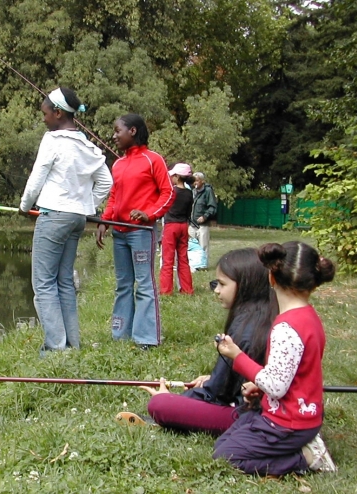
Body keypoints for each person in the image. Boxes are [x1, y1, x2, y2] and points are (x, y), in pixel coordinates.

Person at [116, 248, 278, 435]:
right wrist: (211, 380)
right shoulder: (267, 315)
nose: (216, 290)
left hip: (248, 417)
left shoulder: (244, 329)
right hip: (264, 410)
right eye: (215, 283)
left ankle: (166, 417)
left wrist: (173, 398)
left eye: (222, 284)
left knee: (159, 404)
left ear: (245, 285)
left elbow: (216, 394)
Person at [214, 241, 337, 475]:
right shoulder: (309, 317)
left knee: (226, 455)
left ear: (271, 277)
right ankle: (303, 444)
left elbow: (276, 385)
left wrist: (237, 356)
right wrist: (260, 388)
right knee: (230, 436)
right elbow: (293, 374)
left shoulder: (286, 327)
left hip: (288, 424)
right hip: (300, 415)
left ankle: (306, 457)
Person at [20, 87, 113, 354]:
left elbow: (37, 177)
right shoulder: (88, 146)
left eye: (46, 113)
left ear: (58, 113)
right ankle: (71, 344)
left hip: (53, 217)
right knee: (63, 281)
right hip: (76, 220)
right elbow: (106, 182)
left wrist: (25, 206)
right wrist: (86, 206)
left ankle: (55, 348)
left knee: (44, 283)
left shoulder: (52, 140)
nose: (44, 119)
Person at [95, 114, 174, 350]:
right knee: (123, 284)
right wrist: (104, 221)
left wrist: (149, 214)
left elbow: (168, 193)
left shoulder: (154, 160)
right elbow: (114, 197)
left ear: (132, 131)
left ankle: (147, 339)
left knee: (145, 283)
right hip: (119, 234)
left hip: (141, 233)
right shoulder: (117, 164)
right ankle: (120, 334)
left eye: (117, 130)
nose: (114, 135)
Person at [160, 163, 195, 295]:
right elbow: (188, 213)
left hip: (171, 227)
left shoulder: (171, 192)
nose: (171, 178)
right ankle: (187, 289)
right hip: (183, 226)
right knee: (183, 259)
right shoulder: (189, 193)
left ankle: (166, 290)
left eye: (173, 176)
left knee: (167, 260)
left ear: (178, 177)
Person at [188, 172, 217, 268]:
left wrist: (205, 216)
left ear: (202, 181)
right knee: (191, 245)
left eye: (197, 180)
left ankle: (203, 265)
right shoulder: (192, 191)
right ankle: (193, 264)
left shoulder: (208, 191)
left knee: (203, 245)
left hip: (203, 224)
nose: (195, 183)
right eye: (193, 181)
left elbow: (212, 207)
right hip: (191, 224)